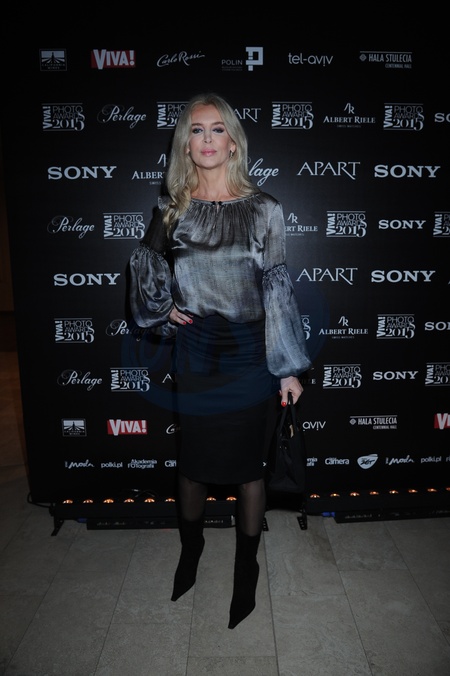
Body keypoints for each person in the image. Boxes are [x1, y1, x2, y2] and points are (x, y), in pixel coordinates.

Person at [129, 92, 312, 629]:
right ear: (185, 143)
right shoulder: (172, 208)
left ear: (233, 141)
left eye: (216, 129)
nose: (206, 139)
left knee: (249, 470)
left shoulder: (265, 208)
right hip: (198, 353)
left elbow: (276, 287)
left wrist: (288, 366)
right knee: (193, 467)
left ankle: (246, 569)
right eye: (196, 129)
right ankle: (191, 551)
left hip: (251, 354)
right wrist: (162, 308)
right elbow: (145, 266)